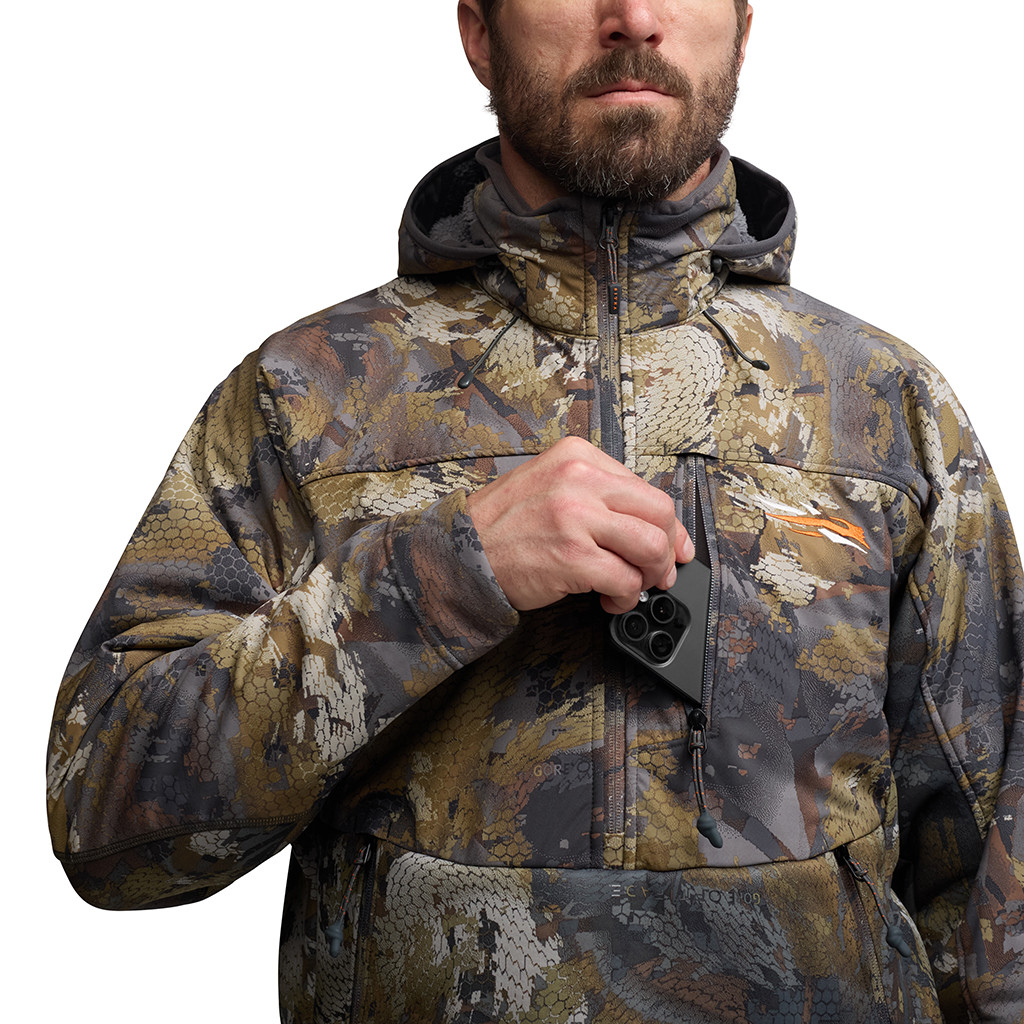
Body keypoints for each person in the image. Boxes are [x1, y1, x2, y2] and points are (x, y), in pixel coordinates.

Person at [46, 1, 1023, 1021]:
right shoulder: (307, 396)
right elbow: (104, 825)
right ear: (479, 30)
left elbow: (998, 891)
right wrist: (438, 578)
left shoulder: (887, 409)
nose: (632, 17)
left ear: (742, 25)